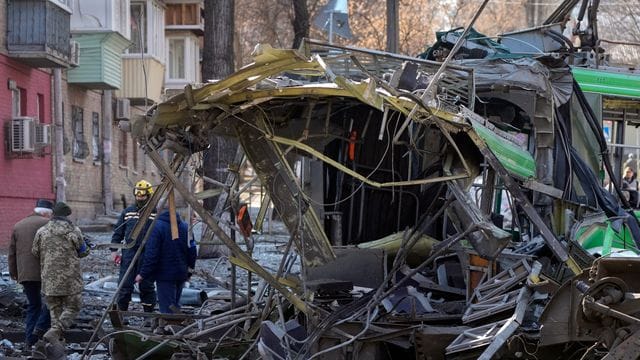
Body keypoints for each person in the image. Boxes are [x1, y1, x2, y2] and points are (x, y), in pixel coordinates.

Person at [32, 202, 90, 344]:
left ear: (53, 214)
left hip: (49, 279)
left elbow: (34, 252)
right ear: (67, 216)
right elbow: (83, 252)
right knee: (73, 307)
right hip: (71, 280)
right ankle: (55, 331)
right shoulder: (74, 231)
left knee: (55, 311)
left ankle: (56, 343)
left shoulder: (41, 231)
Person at [8, 199, 53, 347]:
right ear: (47, 213)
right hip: (48, 272)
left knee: (34, 305)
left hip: (26, 273)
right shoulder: (48, 224)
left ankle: (29, 340)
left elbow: (12, 253)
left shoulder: (18, 225)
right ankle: (41, 332)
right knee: (53, 303)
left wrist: (14, 273)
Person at [135, 209, 197, 314]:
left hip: (164, 275)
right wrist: (190, 270)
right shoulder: (185, 227)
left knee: (167, 309)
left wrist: (143, 274)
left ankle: (170, 328)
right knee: (175, 306)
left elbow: (152, 255)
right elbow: (192, 251)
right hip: (181, 272)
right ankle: (175, 326)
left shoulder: (156, 227)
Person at [110, 180, 157, 312]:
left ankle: (149, 315)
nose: (139, 198)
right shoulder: (128, 212)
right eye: (138, 195)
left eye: (142, 196)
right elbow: (118, 232)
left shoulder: (155, 213)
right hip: (129, 253)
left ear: (149, 196)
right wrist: (114, 250)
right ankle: (121, 313)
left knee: (147, 286)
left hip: (147, 253)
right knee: (124, 286)